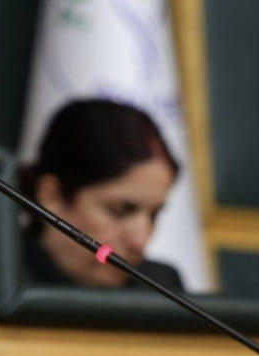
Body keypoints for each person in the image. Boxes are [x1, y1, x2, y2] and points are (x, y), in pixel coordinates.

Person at [20, 99, 185, 291]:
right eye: (120, 211)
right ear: (51, 195)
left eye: (154, 215)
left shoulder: (161, 288)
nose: (139, 242)